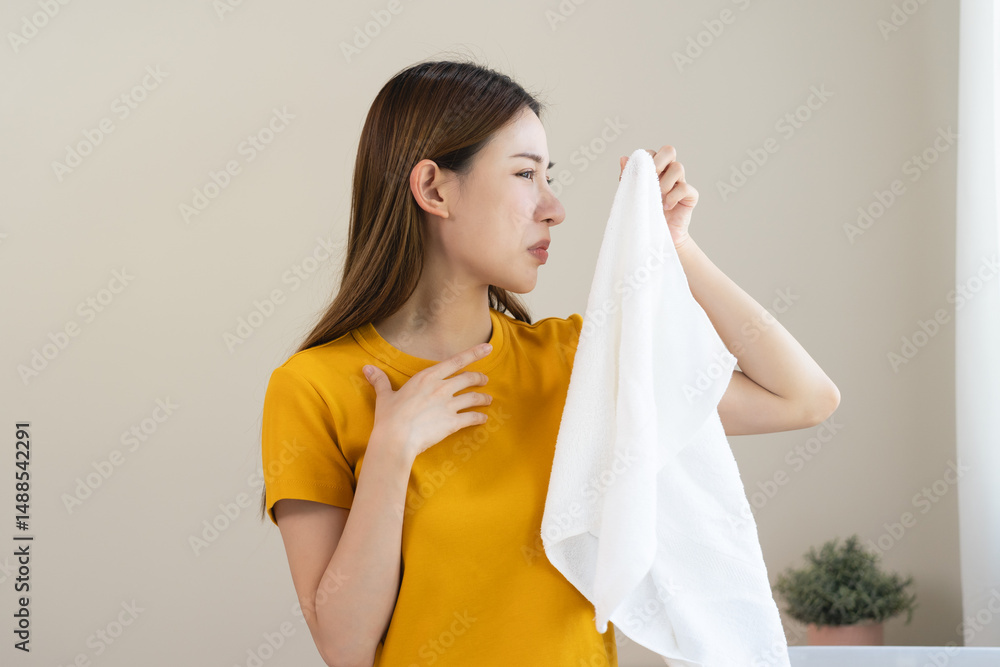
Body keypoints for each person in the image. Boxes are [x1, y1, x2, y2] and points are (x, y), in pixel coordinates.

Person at [258, 57, 840, 667]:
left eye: (547, 176)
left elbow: (802, 398)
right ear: (433, 189)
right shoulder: (312, 388)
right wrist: (390, 453)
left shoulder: (577, 363)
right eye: (525, 174)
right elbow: (345, 648)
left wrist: (677, 250)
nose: (554, 207)